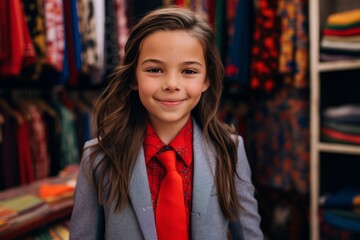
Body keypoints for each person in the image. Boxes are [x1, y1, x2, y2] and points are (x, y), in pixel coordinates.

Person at [70, 6, 263, 240]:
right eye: (155, 69)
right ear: (133, 78)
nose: (172, 84)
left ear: (206, 80)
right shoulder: (99, 158)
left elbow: (250, 235)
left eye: (189, 71)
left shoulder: (229, 151)